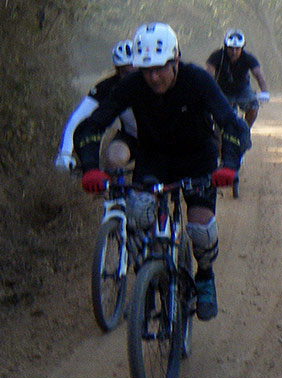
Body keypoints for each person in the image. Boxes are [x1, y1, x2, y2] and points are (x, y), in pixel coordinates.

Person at [74, 22, 250, 321]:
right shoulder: (132, 85)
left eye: (159, 68)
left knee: (200, 228)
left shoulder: (197, 80)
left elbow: (233, 125)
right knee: (138, 213)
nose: (153, 77)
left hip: (198, 157)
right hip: (154, 157)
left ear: (175, 59)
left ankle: (205, 277)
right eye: (145, 70)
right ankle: (148, 281)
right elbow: (91, 126)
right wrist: (91, 168)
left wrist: (229, 165)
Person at [55, 40, 138, 173]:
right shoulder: (109, 86)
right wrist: (65, 152)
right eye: (126, 72)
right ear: (117, 71)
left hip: (161, 138)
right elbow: (79, 117)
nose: (132, 77)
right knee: (113, 158)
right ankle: (115, 193)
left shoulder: (157, 82)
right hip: (130, 139)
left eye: (137, 71)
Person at [206, 28, 270, 128]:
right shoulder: (217, 56)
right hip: (222, 91)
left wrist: (264, 91)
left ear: (242, 48)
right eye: (231, 48)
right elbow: (208, 75)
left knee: (253, 106)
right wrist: (207, 91)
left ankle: (245, 131)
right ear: (226, 47)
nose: (234, 52)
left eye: (237, 49)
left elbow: (258, 75)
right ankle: (218, 139)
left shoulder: (248, 58)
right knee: (217, 118)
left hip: (243, 90)